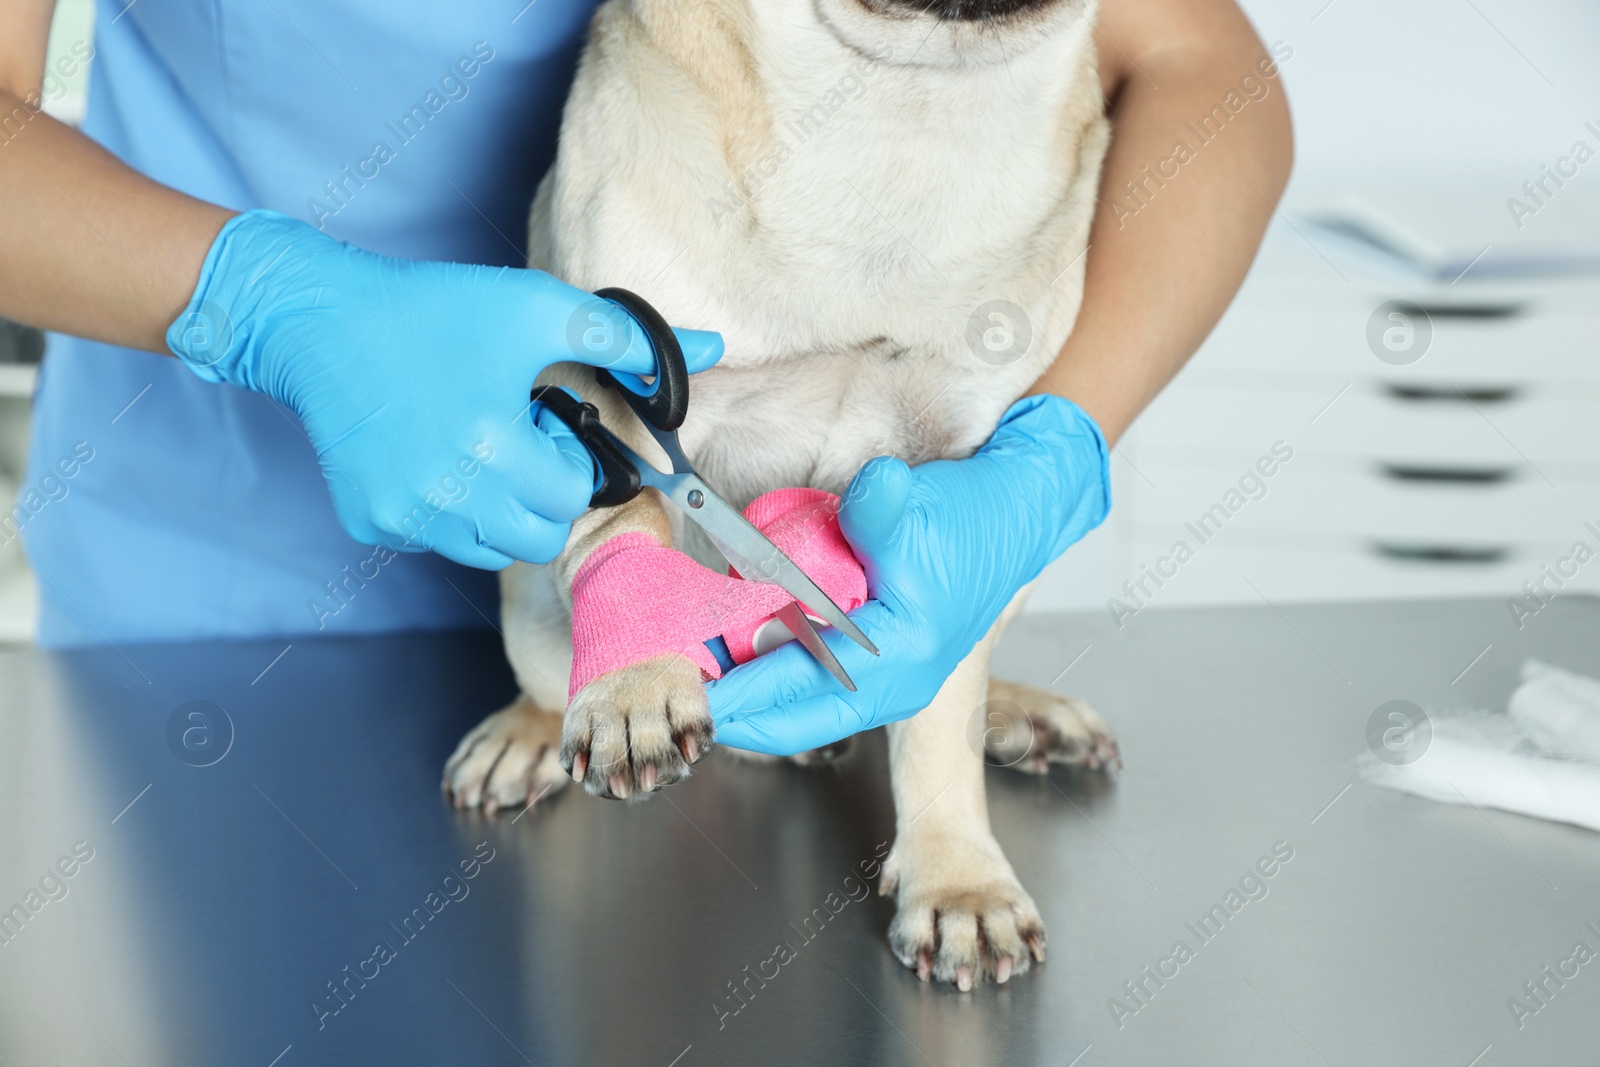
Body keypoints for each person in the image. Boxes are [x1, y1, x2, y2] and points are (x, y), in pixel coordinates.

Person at [0, 0, 1290, 749]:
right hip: (236, 598)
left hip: (766, 570)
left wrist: (1056, 446)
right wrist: (260, 307)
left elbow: (1198, 64)